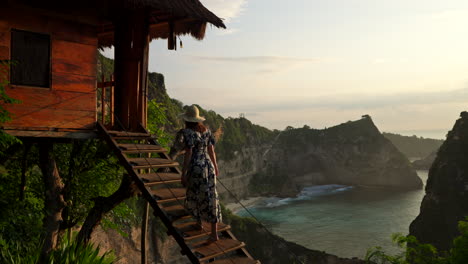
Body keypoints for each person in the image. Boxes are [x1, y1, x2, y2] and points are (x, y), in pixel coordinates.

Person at [171, 105, 222, 241]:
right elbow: (211, 151)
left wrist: (183, 173)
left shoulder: (187, 133)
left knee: (195, 193)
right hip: (208, 167)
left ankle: (199, 224)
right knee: (211, 197)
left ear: (187, 120)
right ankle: (213, 233)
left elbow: (189, 153)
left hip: (196, 167)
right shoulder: (207, 131)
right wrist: (215, 167)